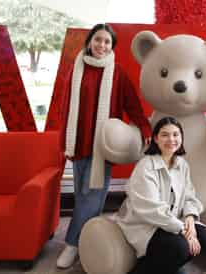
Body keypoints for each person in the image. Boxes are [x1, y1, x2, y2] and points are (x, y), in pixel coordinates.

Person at [56, 23, 152, 269]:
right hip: (78, 144)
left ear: (112, 47)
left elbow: (132, 105)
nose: (102, 45)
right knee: (83, 196)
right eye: (98, 40)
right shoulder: (76, 69)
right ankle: (90, 241)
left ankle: (72, 244)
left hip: (101, 147)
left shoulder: (117, 73)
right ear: (90, 41)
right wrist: (63, 143)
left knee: (91, 196)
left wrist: (144, 128)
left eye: (107, 42)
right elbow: (66, 108)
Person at [116, 117, 206, 274]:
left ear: (181, 137)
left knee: (204, 238)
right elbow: (151, 209)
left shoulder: (181, 164)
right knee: (180, 247)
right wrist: (184, 230)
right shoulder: (146, 166)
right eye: (165, 135)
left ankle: (167, 267)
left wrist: (190, 218)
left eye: (175, 134)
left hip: (170, 221)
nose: (171, 139)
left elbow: (189, 196)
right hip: (145, 224)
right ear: (155, 139)